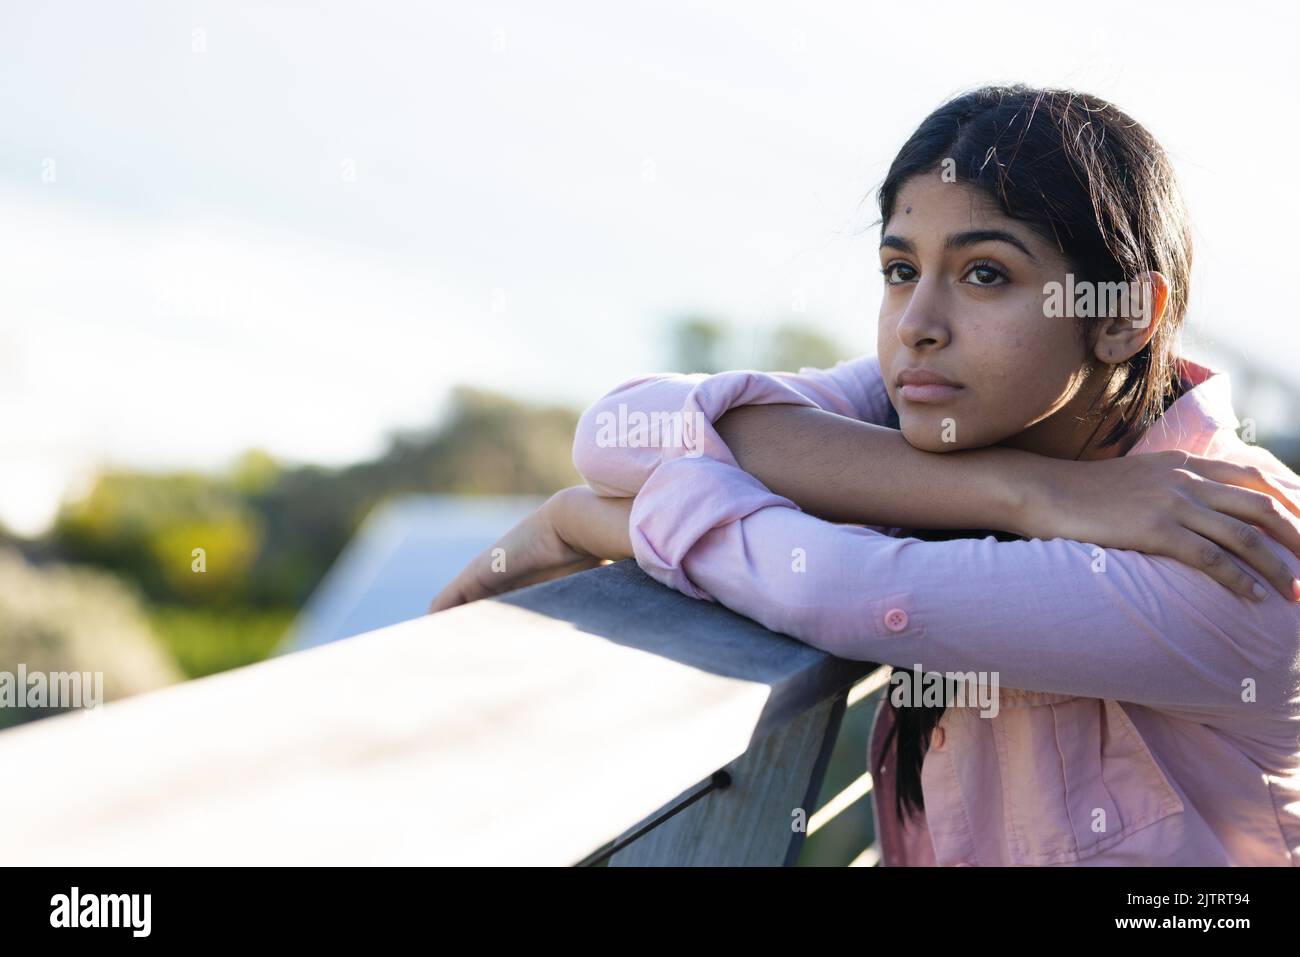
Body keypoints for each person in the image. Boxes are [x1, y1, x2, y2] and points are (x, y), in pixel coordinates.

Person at [430, 85, 1300, 865]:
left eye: (985, 274)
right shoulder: (931, 405)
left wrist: (593, 525)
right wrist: (1029, 491)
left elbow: (855, 592)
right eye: (899, 270)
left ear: (1121, 318)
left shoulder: (1236, 540)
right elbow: (619, 430)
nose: (918, 323)